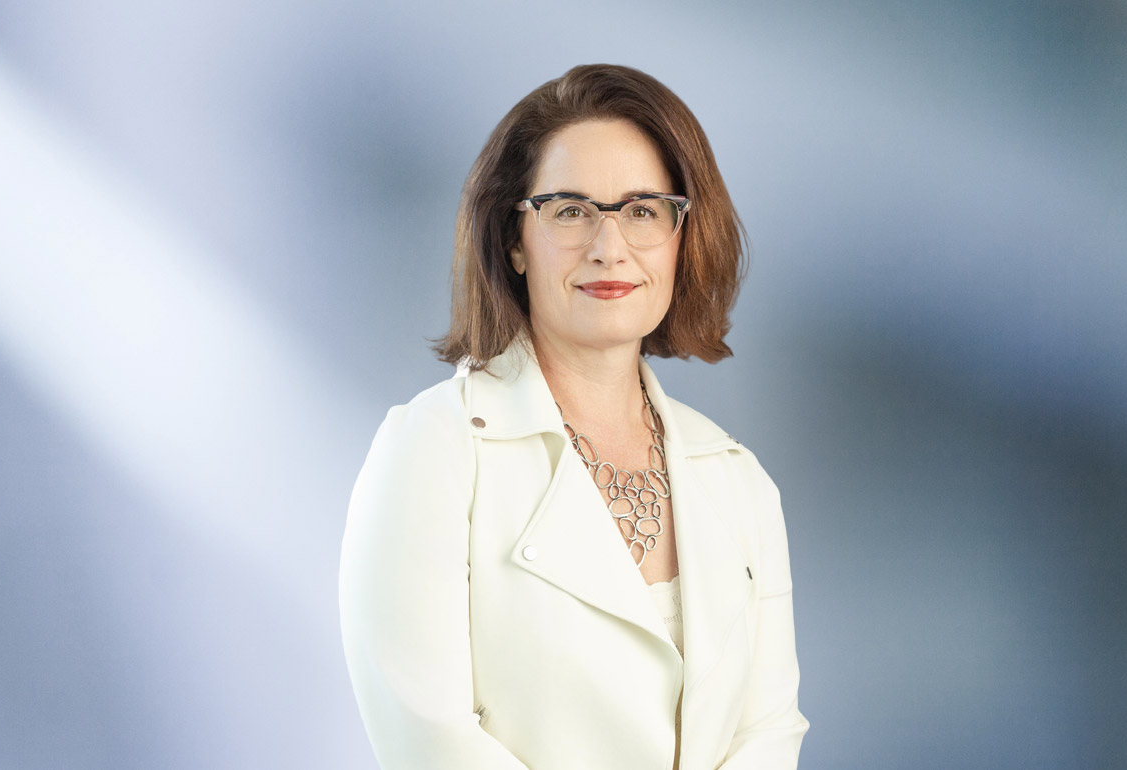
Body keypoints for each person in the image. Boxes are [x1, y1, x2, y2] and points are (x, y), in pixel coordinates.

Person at [338, 64, 808, 770]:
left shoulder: (739, 481)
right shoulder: (434, 450)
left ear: (685, 237)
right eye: (570, 209)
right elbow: (427, 739)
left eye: (643, 210)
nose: (608, 246)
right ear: (513, 240)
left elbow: (769, 732)